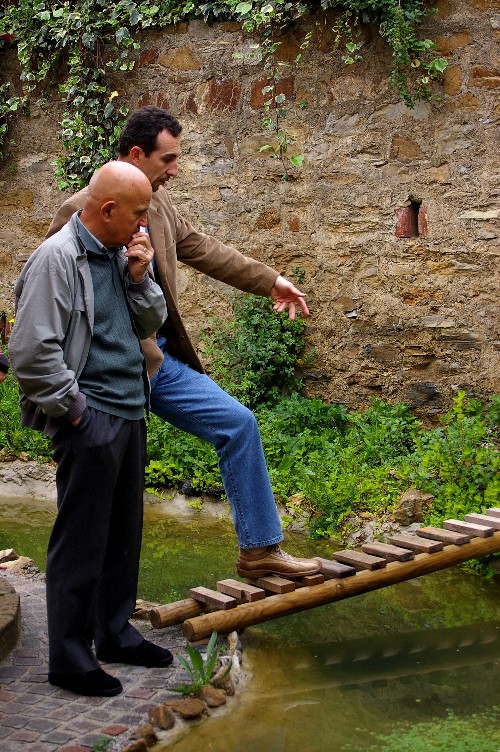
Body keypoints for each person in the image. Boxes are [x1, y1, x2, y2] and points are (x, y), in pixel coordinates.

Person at [46, 106, 321, 580]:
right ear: (137, 154)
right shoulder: (82, 210)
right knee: (102, 497)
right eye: (168, 159)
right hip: (102, 378)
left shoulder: (163, 208)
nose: (176, 170)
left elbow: (209, 250)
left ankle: (258, 552)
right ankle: (89, 610)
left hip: (156, 365)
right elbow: (46, 289)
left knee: (238, 424)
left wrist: (271, 281)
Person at [9, 162, 169, 698]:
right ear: (107, 211)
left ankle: (115, 633)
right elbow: (30, 351)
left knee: (124, 535)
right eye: (139, 213)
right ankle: (71, 659)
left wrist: (141, 279)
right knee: (81, 541)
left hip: (130, 409)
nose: (145, 223)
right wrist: (75, 411)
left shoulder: (120, 254)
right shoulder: (58, 258)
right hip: (93, 414)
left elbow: (150, 326)